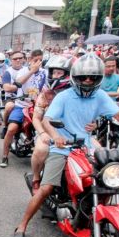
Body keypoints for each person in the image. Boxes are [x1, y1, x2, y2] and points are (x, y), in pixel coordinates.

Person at [11, 54, 119, 237]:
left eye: (92, 77)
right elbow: (47, 120)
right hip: (63, 147)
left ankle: (92, 212)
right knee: (46, 188)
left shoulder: (99, 95)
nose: (88, 81)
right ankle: (22, 226)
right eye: (84, 77)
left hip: (86, 146)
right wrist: (56, 136)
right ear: (76, 77)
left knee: (107, 179)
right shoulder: (65, 96)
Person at [28, 55, 71, 193]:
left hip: (71, 132)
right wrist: (42, 133)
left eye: (59, 72)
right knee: (41, 149)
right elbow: (36, 118)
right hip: (47, 130)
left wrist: (92, 125)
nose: (55, 75)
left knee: (98, 152)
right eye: (53, 72)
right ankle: (35, 178)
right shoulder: (45, 93)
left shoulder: (74, 92)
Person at [0, 50, 46, 168]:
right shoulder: (23, 71)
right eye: (35, 60)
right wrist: (32, 71)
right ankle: (5, 156)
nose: (38, 63)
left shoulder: (44, 73)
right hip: (21, 105)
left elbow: (47, 88)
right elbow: (18, 83)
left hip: (38, 106)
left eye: (40, 60)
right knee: (11, 129)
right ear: (30, 60)